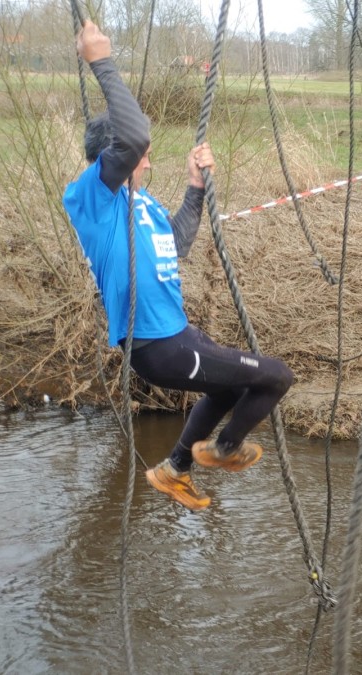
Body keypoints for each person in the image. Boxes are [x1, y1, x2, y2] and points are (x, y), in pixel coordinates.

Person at [63, 21, 293, 511]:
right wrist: (101, 60)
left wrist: (195, 186)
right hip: (157, 346)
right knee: (275, 377)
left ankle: (175, 469)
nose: (148, 161)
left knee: (231, 388)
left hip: (180, 334)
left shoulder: (141, 204)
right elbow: (133, 135)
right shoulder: (92, 199)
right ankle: (224, 449)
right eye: (142, 156)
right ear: (117, 157)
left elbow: (179, 241)